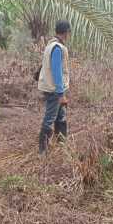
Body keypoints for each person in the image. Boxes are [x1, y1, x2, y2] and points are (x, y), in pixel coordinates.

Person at [37, 20, 71, 154]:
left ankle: (61, 144)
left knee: (61, 116)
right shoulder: (57, 48)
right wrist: (61, 93)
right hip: (54, 90)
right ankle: (42, 150)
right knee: (50, 117)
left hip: (52, 88)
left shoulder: (50, 45)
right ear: (66, 32)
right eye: (69, 32)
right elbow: (57, 71)